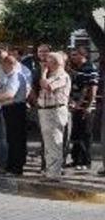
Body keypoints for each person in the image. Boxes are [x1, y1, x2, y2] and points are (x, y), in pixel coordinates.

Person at [0, 54, 28, 175]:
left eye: (2, 64)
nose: (1, 67)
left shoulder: (15, 76)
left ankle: (15, 168)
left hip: (15, 109)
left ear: (8, 64)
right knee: (10, 139)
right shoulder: (10, 75)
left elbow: (10, 93)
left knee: (15, 140)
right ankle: (11, 166)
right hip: (9, 108)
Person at [37, 52, 71, 182]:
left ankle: (54, 174)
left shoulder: (62, 75)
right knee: (48, 143)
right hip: (46, 111)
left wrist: (43, 72)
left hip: (54, 111)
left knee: (54, 143)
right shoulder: (52, 75)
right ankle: (50, 172)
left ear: (56, 63)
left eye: (48, 61)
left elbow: (47, 86)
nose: (45, 63)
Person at [68, 47, 98, 171]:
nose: (72, 57)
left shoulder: (89, 68)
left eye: (75, 54)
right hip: (76, 107)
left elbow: (92, 88)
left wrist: (89, 105)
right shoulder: (77, 69)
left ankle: (86, 162)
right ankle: (76, 160)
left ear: (83, 55)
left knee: (85, 134)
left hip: (86, 106)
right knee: (76, 134)